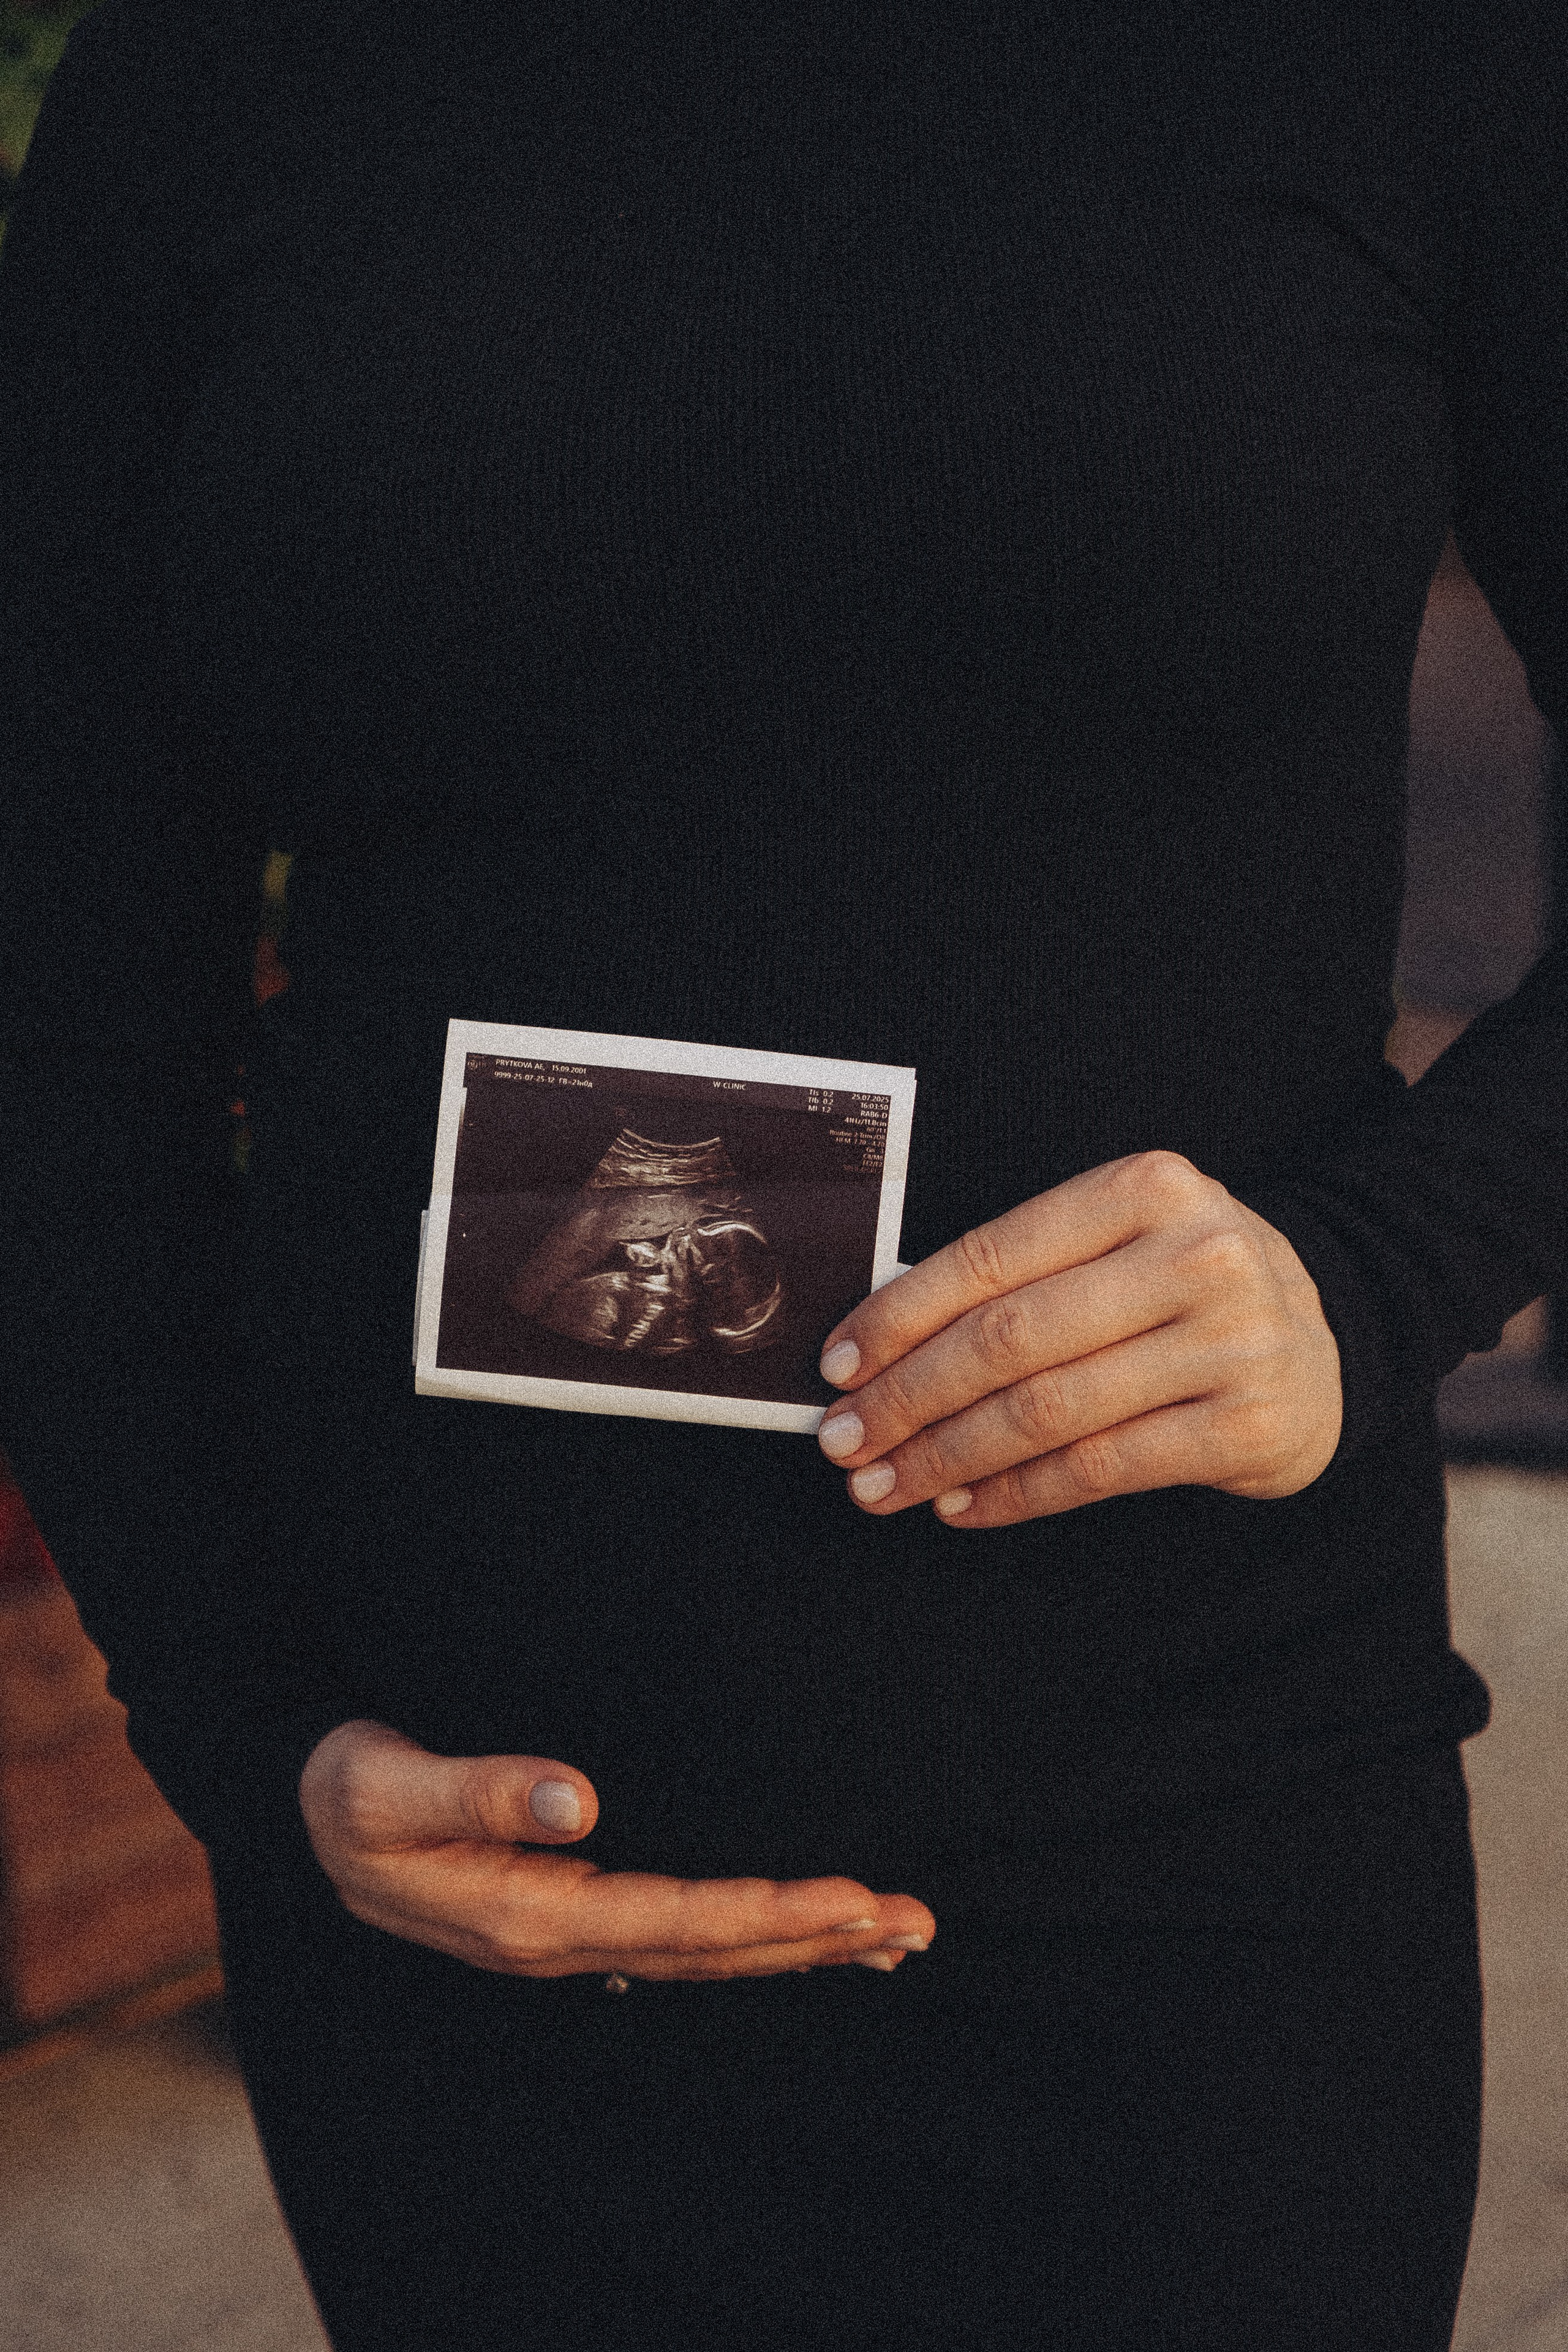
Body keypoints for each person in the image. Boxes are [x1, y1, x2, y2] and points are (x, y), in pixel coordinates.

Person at [2, 1, 1564, 2344]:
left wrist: (1383, 1265)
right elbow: (63, 1007)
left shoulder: (1419, 53)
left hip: (1186, 1900)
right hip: (447, 1913)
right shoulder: (214, 74)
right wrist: (245, 1738)